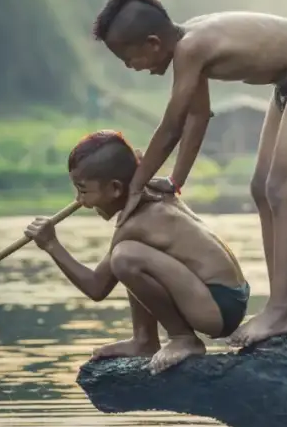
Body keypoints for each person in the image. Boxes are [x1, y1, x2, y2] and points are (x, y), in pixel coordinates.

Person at [90, 0, 287, 348]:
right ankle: (280, 305)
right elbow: (197, 116)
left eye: (130, 59)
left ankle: (285, 308)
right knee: (261, 188)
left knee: (281, 189)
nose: (133, 68)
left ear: (152, 42)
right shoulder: (189, 47)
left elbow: (171, 126)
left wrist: (135, 186)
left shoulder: (191, 48)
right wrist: (175, 181)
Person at [24, 130, 251, 373]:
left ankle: (183, 338)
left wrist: (51, 245)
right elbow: (137, 158)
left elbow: (96, 287)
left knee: (125, 257)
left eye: (83, 190)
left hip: (218, 306)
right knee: (131, 257)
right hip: (226, 298)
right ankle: (144, 339)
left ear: (115, 188)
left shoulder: (135, 224)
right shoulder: (153, 188)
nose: (80, 201)